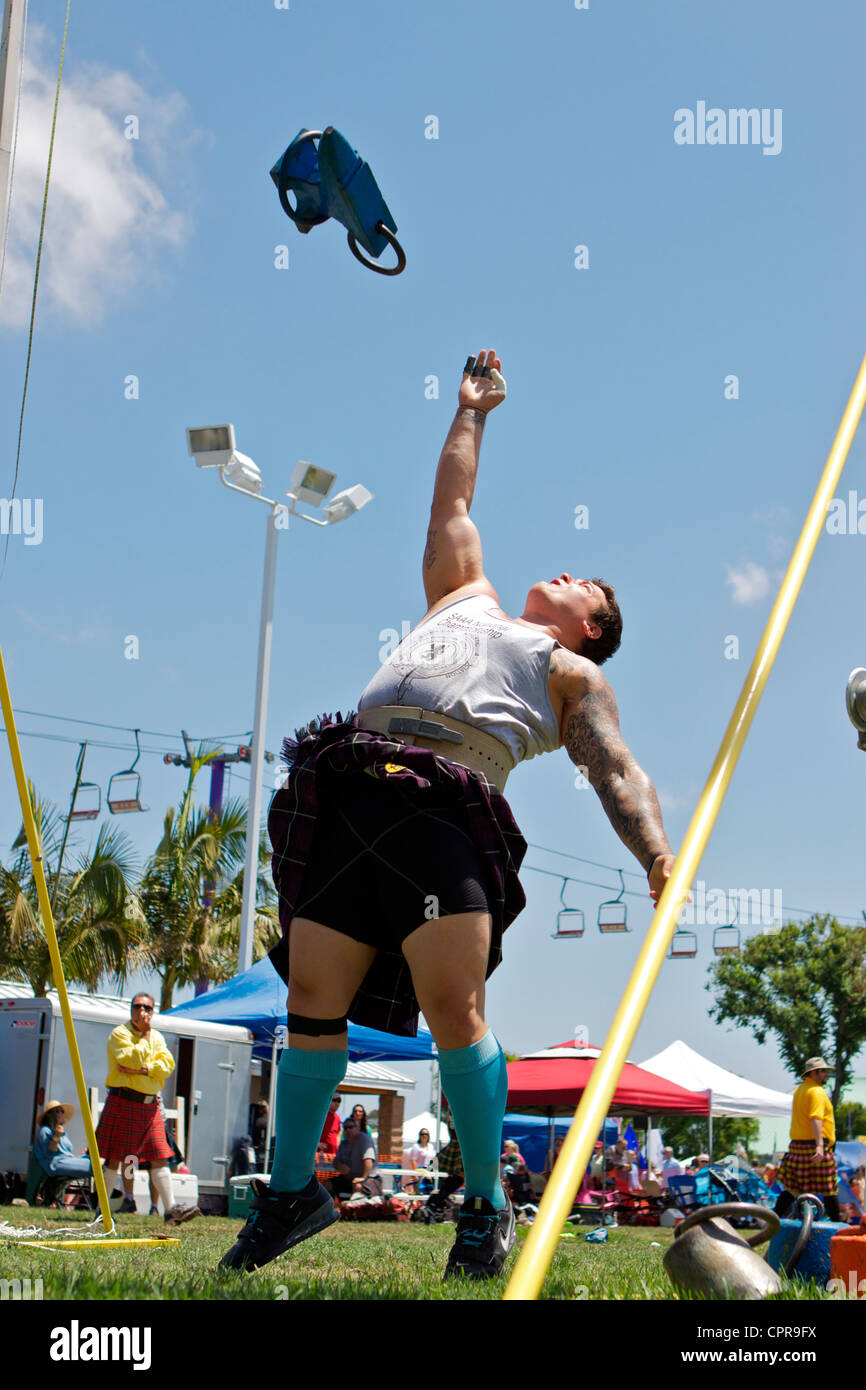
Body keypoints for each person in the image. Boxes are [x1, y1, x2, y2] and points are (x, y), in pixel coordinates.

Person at [220, 349, 682, 1280]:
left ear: (592, 626)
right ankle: (290, 1195)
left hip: (446, 810)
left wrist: (659, 859)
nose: (570, 571)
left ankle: (482, 1208)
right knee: (311, 1000)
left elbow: (619, 773)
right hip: (351, 789)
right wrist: (472, 412)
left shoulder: (572, 675)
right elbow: (452, 509)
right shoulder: (466, 595)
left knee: (454, 1009)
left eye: (588, 583)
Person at [95, 992, 200, 1225]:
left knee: (159, 1156)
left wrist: (143, 1069)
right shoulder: (119, 1033)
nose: (143, 1012)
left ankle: (170, 1209)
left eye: (148, 1008)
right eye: (138, 1007)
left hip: (149, 1105)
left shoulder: (159, 1038)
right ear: (131, 1009)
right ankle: (104, 1208)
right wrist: (143, 1040)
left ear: (153, 1011)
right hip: (123, 1101)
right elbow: (128, 1060)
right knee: (115, 1158)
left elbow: (167, 1066)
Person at [775, 1056, 841, 1223]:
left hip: (797, 1147)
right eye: (823, 1071)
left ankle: (772, 1220)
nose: (826, 1074)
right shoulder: (817, 1092)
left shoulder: (800, 1090)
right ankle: (837, 1225)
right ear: (814, 1072)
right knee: (829, 1189)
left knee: (791, 1189)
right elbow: (815, 1118)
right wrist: (819, 1145)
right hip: (815, 1146)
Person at [33, 1100, 92, 1182]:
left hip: (67, 1161)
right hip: (55, 1164)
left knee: (93, 1159)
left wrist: (82, 1155)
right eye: (57, 1111)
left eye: (62, 1111)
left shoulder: (62, 1132)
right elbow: (49, 1154)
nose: (60, 1113)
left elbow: (67, 1153)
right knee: (94, 1166)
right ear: (48, 1114)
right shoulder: (45, 1130)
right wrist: (57, 1136)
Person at [326, 1118, 381, 1200]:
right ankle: (331, 1209)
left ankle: (353, 1209)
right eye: (345, 1128)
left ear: (358, 1128)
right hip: (348, 1179)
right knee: (326, 1185)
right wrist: (340, 1165)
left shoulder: (364, 1139)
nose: (348, 1130)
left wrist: (363, 1178)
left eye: (350, 1127)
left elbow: (368, 1160)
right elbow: (335, 1161)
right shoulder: (344, 1144)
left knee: (358, 1186)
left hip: (369, 1179)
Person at [403, 1127, 436, 1193]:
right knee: (420, 1191)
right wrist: (415, 1175)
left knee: (430, 1190)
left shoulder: (431, 1146)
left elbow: (433, 1159)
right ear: (420, 1135)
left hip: (429, 1170)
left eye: (426, 1134)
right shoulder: (416, 1146)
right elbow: (413, 1160)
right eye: (422, 1134)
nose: (424, 1136)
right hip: (420, 1170)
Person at [316, 1096, 342, 1162]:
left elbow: (339, 1131)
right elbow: (308, 1131)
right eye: (334, 1100)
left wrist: (337, 1144)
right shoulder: (321, 1115)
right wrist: (317, 1143)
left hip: (332, 1156)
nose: (336, 1103)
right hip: (319, 1156)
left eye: (339, 1101)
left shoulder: (337, 1117)